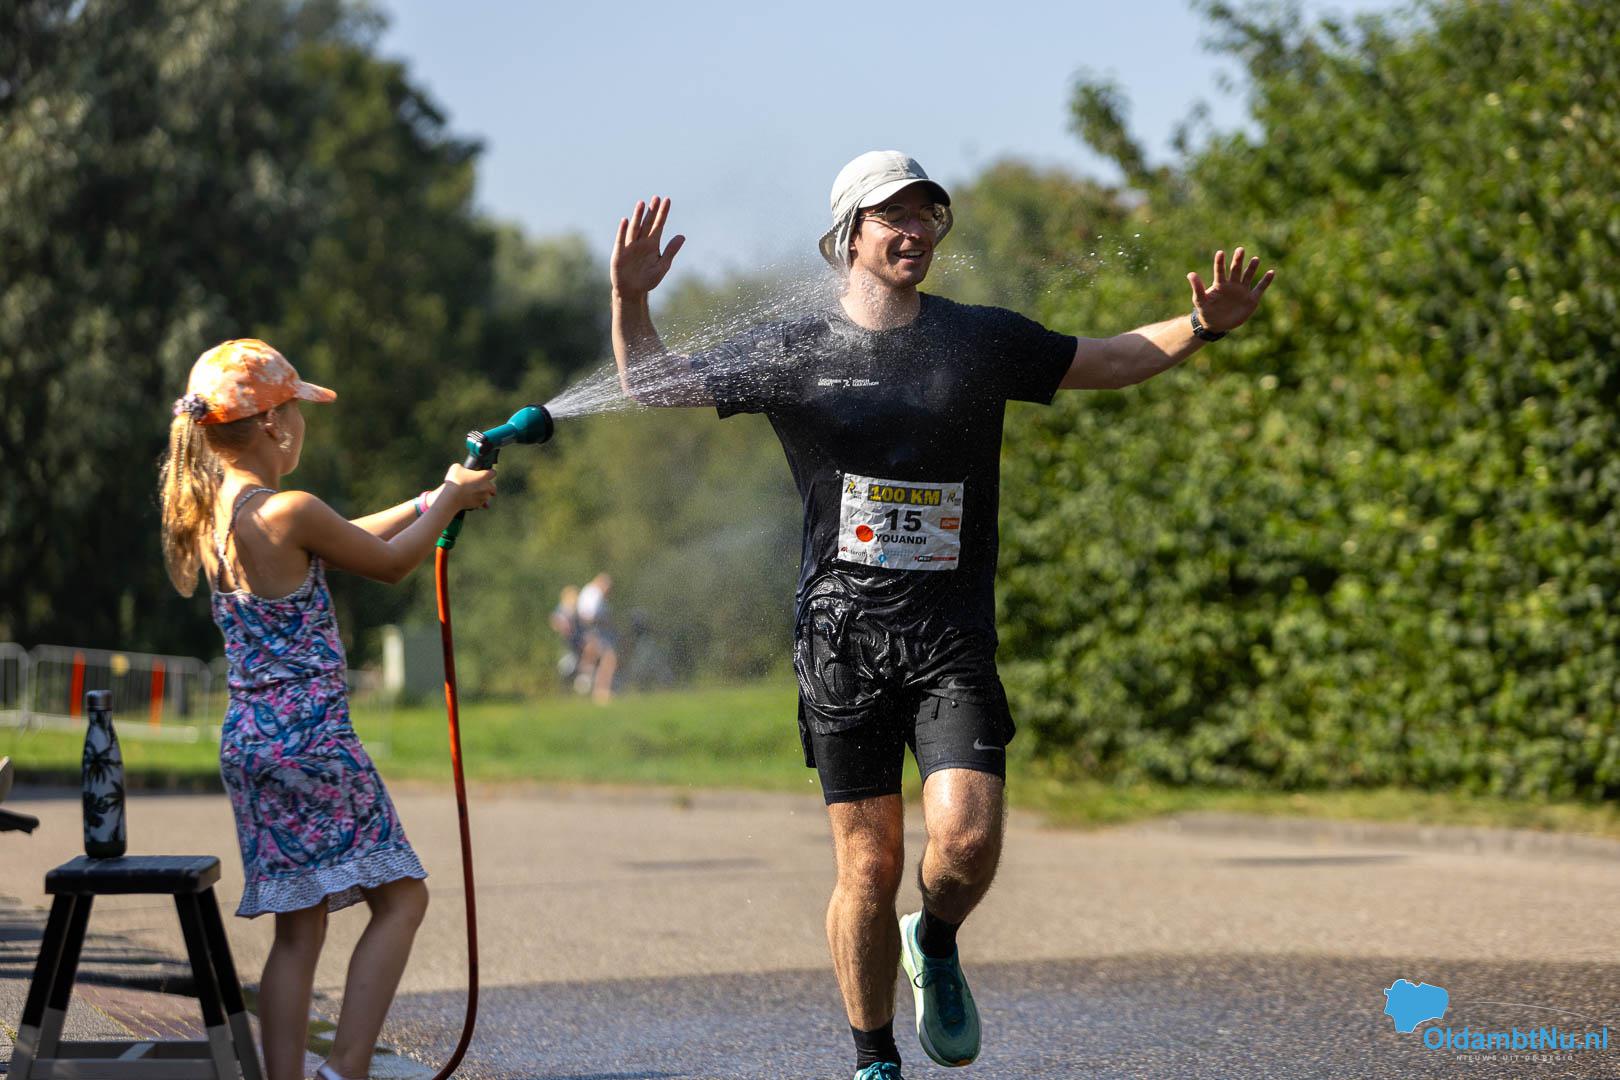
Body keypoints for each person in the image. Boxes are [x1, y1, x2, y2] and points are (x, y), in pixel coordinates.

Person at [610, 151, 1274, 1080]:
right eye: (894, 215)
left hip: (950, 638)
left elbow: (1114, 358)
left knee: (964, 843)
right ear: (850, 235)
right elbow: (652, 384)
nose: (915, 229)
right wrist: (631, 300)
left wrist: (1202, 327)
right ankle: (873, 1058)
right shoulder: (797, 347)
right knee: (868, 867)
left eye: (928, 214)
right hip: (840, 639)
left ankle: (940, 936)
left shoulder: (979, 341)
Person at [157, 339, 497, 1080]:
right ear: (277, 426)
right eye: (298, 412)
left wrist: (430, 499)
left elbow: (342, 539)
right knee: (403, 900)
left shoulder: (218, 512)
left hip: (252, 746)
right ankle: (344, 1072)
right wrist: (451, 502)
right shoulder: (291, 510)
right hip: (313, 743)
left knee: (297, 932)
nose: (304, 427)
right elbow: (390, 563)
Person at [576, 571, 619, 703]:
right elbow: (586, 616)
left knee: (598, 660)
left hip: (597, 633)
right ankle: (599, 691)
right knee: (608, 660)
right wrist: (592, 635)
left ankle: (588, 686)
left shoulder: (592, 592)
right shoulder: (592, 593)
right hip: (595, 633)